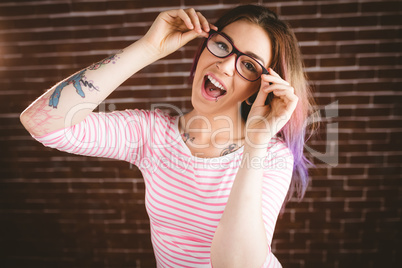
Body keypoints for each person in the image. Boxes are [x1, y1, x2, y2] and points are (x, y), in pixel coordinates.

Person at [20, 4, 316, 268]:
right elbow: (41, 122)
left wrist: (256, 141)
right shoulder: (152, 133)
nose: (224, 66)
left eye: (249, 65)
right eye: (222, 46)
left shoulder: (270, 155)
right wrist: (148, 48)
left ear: (265, 87)